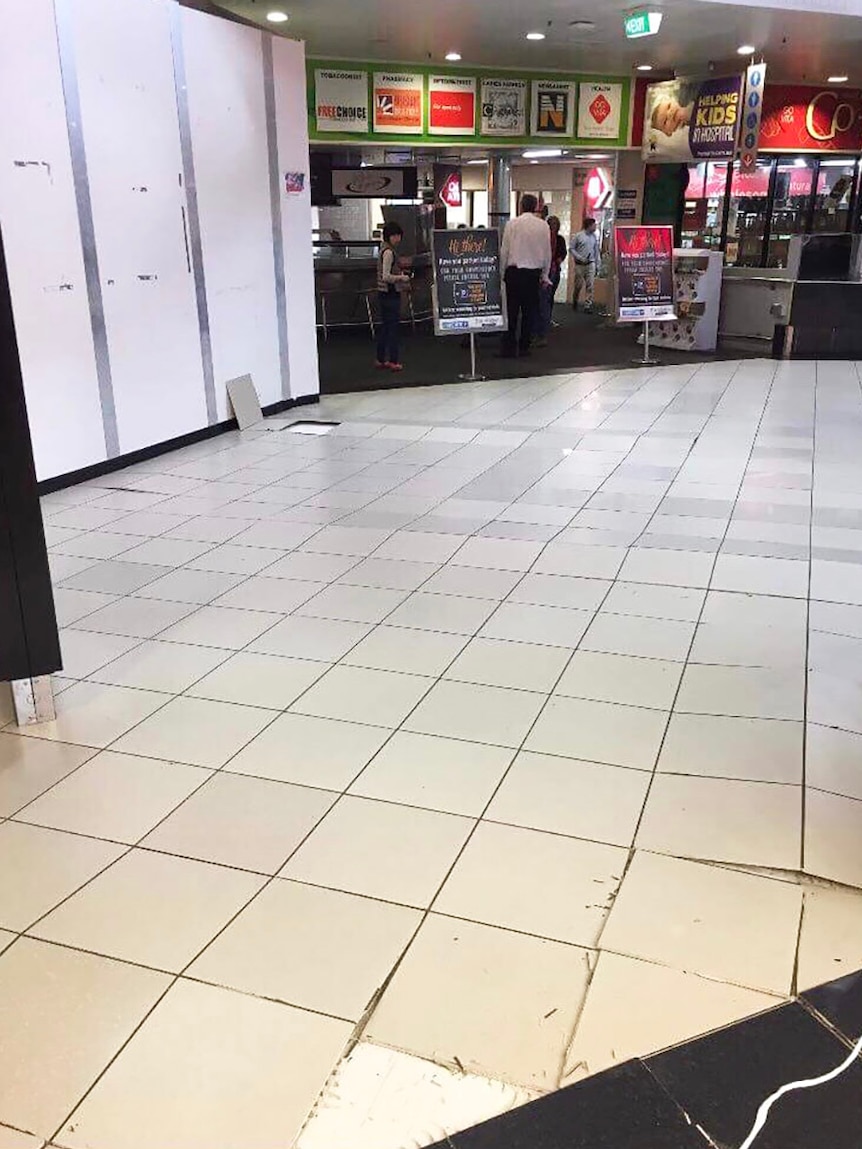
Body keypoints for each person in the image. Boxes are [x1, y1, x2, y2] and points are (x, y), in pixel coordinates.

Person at [499, 192, 551, 358]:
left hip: (514, 273)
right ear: (536, 206)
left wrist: (501, 274)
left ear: (521, 206)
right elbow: (547, 252)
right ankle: (524, 347)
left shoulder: (512, 224)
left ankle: (508, 348)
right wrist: (545, 275)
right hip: (533, 274)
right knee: (529, 312)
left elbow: (505, 250)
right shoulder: (543, 226)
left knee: (511, 312)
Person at [376, 221, 411, 371]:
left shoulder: (383, 249)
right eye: (396, 236)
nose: (398, 239)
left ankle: (380, 359)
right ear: (390, 236)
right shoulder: (389, 252)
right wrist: (402, 278)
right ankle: (393, 360)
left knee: (385, 327)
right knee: (392, 328)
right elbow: (386, 276)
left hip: (383, 293)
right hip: (390, 292)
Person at [534, 215, 568, 346]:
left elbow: (562, 253)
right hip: (544, 271)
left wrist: (558, 259)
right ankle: (541, 327)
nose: (553, 227)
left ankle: (543, 326)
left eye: (555, 224)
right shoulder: (543, 239)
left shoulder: (559, 239)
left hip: (553, 271)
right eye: (551, 224)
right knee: (543, 300)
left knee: (547, 299)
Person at [570, 217, 600, 313]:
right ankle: (575, 300)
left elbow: (596, 251)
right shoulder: (578, 236)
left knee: (590, 285)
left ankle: (587, 305)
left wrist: (598, 264)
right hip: (580, 264)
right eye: (594, 225)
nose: (595, 227)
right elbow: (571, 249)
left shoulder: (594, 237)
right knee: (578, 285)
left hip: (590, 263)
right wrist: (579, 257)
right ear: (589, 225)